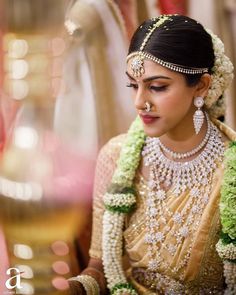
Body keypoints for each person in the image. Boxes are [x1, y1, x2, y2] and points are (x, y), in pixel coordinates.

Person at [68, 15, 236, 294]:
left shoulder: (231, 171)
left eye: (157, 87)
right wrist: (71, 288)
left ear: (202, 85)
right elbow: (98, 268)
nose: (139, 102)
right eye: (133, 85)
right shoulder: (116, 156)